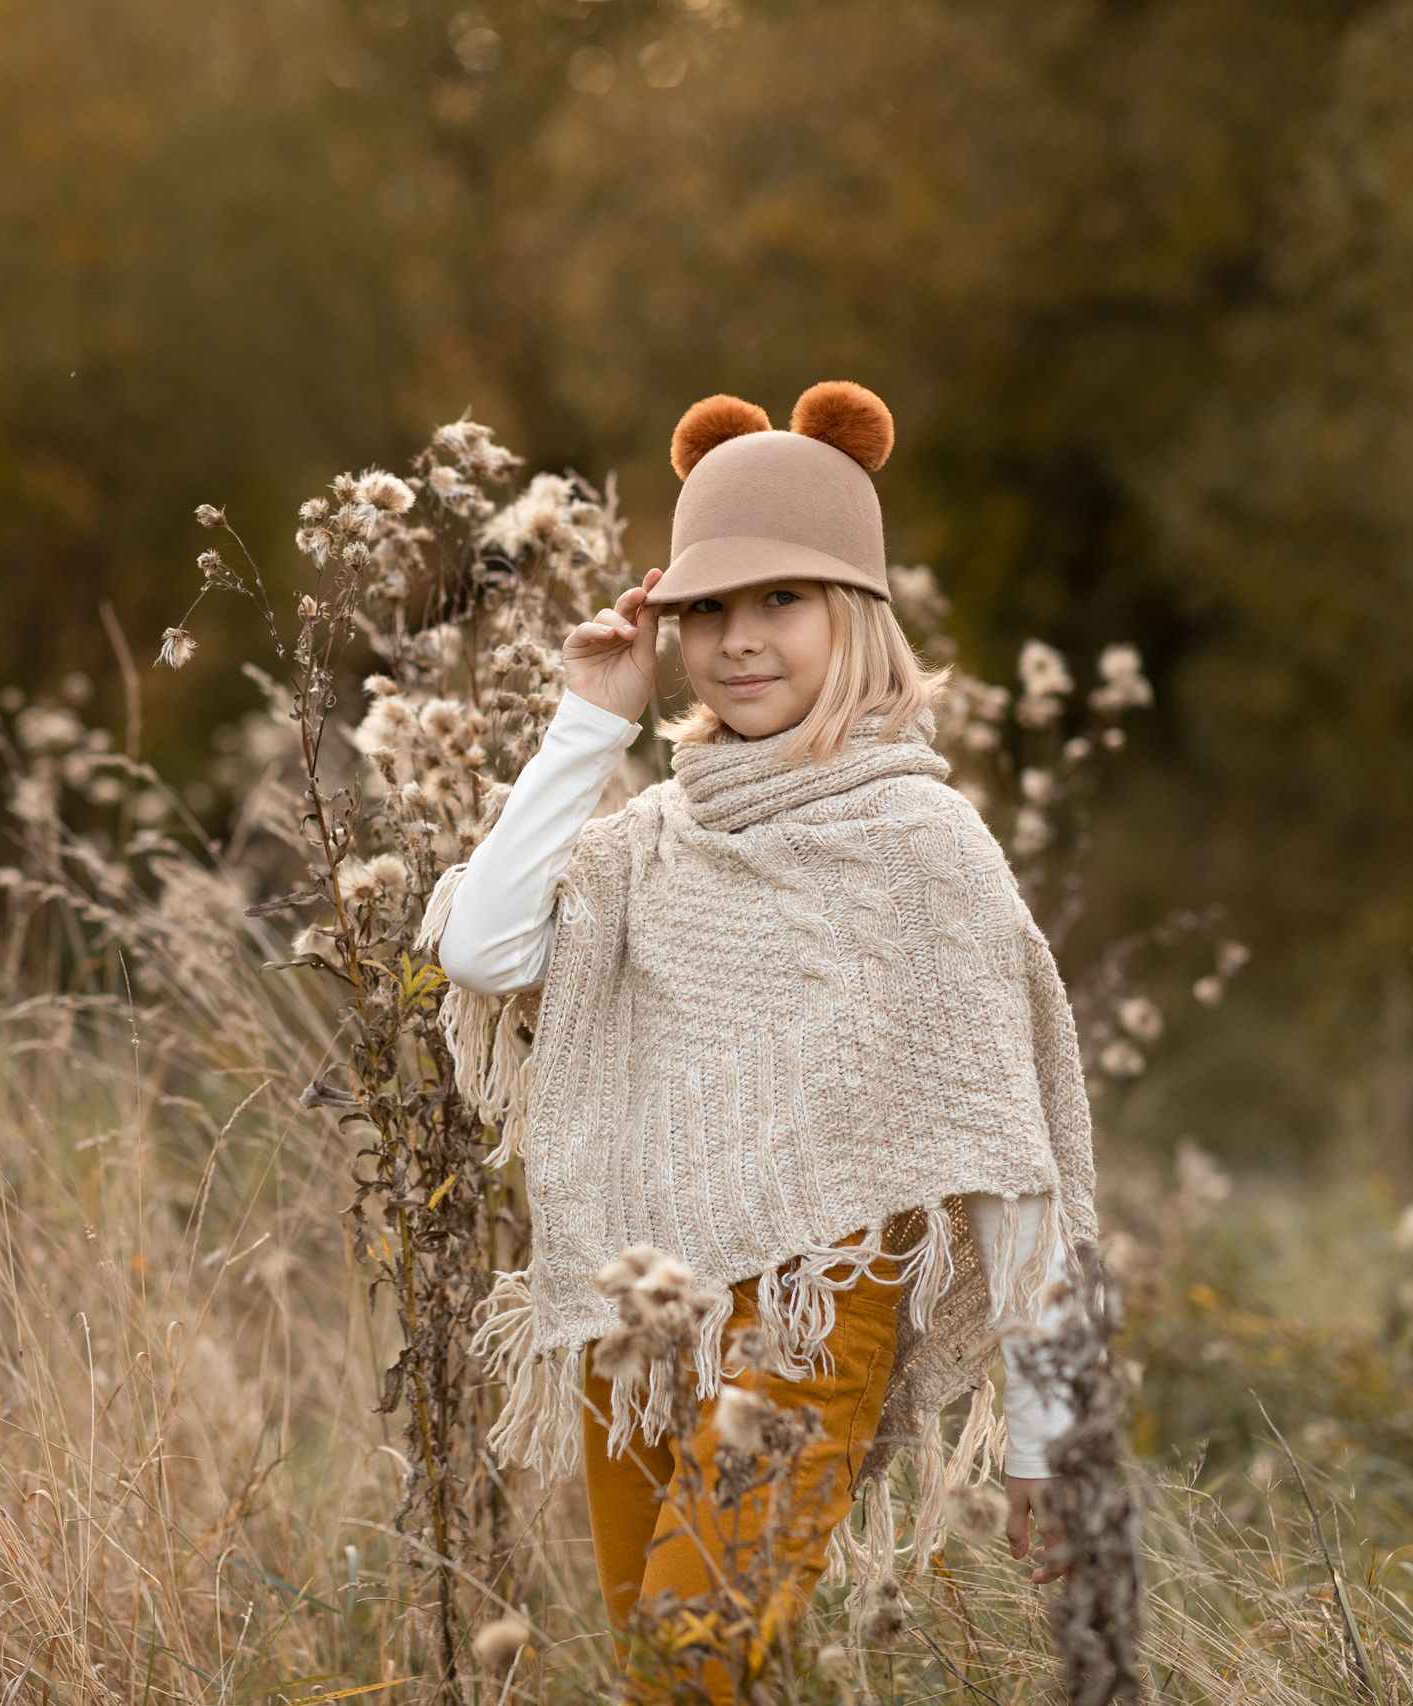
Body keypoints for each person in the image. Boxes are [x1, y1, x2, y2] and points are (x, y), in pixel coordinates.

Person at [425, 382, 1099, 1696]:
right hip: (641, 1330)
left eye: (781, 600)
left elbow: (1009, 1161)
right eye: (709, 609)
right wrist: (590, 719)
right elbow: (484, 947)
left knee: (689, 1662)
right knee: (672, 1675)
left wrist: (1044, 1437)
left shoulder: (926, 850)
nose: (739, 640)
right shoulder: (649, 845)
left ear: (855, 615)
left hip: (807, 1320)